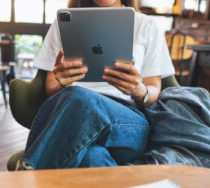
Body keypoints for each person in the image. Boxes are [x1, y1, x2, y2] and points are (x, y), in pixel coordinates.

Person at [15, 0, 175, 170]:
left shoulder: (146, 24)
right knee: (92, 157)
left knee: (78, 96)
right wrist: (61, 84)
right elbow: (51, 89)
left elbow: (153, 90)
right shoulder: (64, 24)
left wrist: (139, 90)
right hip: (72, 115)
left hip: (128, 124)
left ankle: (28, 175)